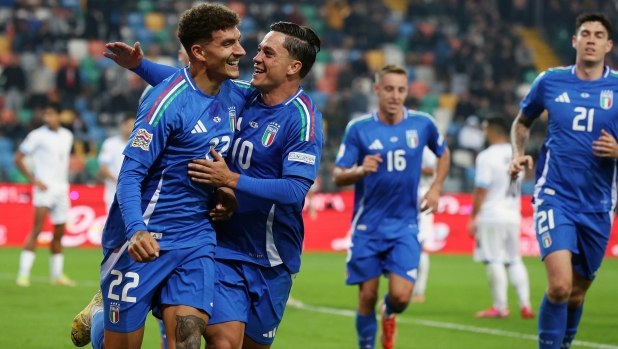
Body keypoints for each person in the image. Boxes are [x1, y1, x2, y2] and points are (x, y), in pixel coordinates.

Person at [83, 19, 322, 349]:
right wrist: (139, 65)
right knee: (218, 343)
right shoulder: (242, 94)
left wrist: (230, 181)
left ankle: (107, 310)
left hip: (271, 254)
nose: (253, 56)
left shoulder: (302, 120)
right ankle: (108, 311)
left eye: (267, 52)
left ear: (294, 66)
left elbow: (295, 190)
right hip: (217, 241)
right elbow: (186, 83)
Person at [70, 4, 246, 349]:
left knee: (189, 342)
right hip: (141, 240)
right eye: (228, 44)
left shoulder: (233, 93)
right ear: (198, 51)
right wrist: (136, 230)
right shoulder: (163, 104)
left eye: (238, 41)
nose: (240, 51)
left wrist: (227, 190)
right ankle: (101, 316)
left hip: (195, 238)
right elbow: (129, 175)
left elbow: (187, 76)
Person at [509, 13, 618, 349]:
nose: (591, 39)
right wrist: (517, 152)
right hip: (554, 196)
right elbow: (521, 122)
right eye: (585, 33)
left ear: (608, 45)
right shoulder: (550, 81)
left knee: (575, 294)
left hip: (598, 203)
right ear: (574, 41)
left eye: (598, 35)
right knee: (559, 286)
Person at [332, 64, 450, 349]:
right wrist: (360, 170)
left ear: (407, 91)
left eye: (401, 89)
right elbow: (338, 175)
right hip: (367, 226)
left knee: (400, 297)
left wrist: (435, 187)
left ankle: (389, 312)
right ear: (377, 90)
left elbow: (443, 154)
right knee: (367, 296)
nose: (395, 95)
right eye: (389, 89)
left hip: (405, 225)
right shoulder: (359, 129)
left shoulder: (423, 124)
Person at [468, 116, 534, 319]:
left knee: (493, 259)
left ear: (493, 131)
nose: (484, 133)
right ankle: (525, 304)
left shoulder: (487, 156)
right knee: (514, 260)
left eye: (485, 129)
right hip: (512, 213)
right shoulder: (516, 154)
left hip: (492, 214)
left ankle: (500, 306)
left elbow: (481, 189)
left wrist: (473, 217)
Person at [14, 102, 75, 287]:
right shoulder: (36, 135)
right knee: (37, 229)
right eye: (45, 114)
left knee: (59, 233)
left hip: (62, 189)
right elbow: (18, 158)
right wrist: (34, 180)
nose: (47, 118)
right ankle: (23, 274)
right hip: (44, 188)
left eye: (50, 114)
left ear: (59, 115)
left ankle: (57, 275)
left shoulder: (67, 135)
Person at [411, 147, 436, 304]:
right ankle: (407, 286)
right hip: (403, 193)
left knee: (420, 243)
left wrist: (412, 165)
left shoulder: (426, 149)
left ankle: (419, 290)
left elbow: (434, 170)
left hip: (422, 194)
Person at [97, 114, 136, 212]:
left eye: (134, 125)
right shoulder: (110, 143)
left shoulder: (140, 145)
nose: (132, 128)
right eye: (129, 125)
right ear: (122, 126)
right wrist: (118, 180)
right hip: (113, 191)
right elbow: (103, 167)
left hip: (134, 192)